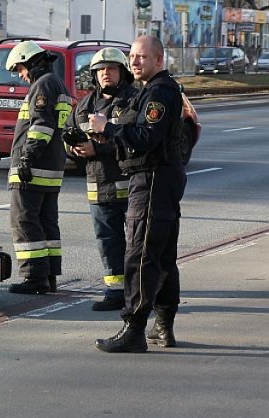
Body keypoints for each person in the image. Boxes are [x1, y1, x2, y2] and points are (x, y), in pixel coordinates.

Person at [89, 35, 187, 352]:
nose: (134, 62)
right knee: (162, 257)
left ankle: (133, 330)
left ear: (159, 60)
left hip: (153, 179)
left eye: (141, 57)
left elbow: (146, 137)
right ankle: (163, 328)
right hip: (160, 178)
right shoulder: (151, 90)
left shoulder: (158, 91)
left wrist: (108, 128)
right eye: (132, 56)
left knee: (141, 256)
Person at [62, 47, 138, 311]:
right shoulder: (84, 105)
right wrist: (73, 148)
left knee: (139, 243)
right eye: (101, 70)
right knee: (107, 242)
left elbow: (136, 142)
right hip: (98, 186)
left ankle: (141, 291)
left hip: (130, 186)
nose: (106, 73)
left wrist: (100, 149)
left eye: (112, 68)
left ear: (123, 72)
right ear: (94, 75)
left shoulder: (134, 101)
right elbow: (69, 132)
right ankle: (115, 292)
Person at [4, 41, 73, 294]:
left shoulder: (42, 85)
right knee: (47, 223)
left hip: (34, 169)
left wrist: (26, 159)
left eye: (20, 68)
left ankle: (34, 277)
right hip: (51, 168)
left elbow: (41, 126)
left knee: (24, 220)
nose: (20, 75)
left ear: (32, 63)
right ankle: (50, 275)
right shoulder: (58, 84)